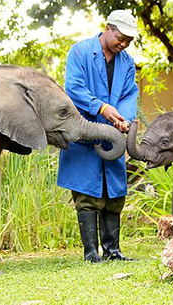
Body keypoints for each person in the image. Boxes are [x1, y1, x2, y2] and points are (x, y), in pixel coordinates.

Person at [57, 9, 139, 262]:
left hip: (113, 136)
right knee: (87, 195)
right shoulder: (80, 52)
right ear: (108, 28)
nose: (123, 44)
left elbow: (129, 94)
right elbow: (74, 88)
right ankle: (91, 253)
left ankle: (113, 250)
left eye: (129, 41)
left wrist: (122, 120)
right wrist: (101, 108)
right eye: (121, 38)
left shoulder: (126, 62)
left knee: (114, 195)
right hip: (84, 132)